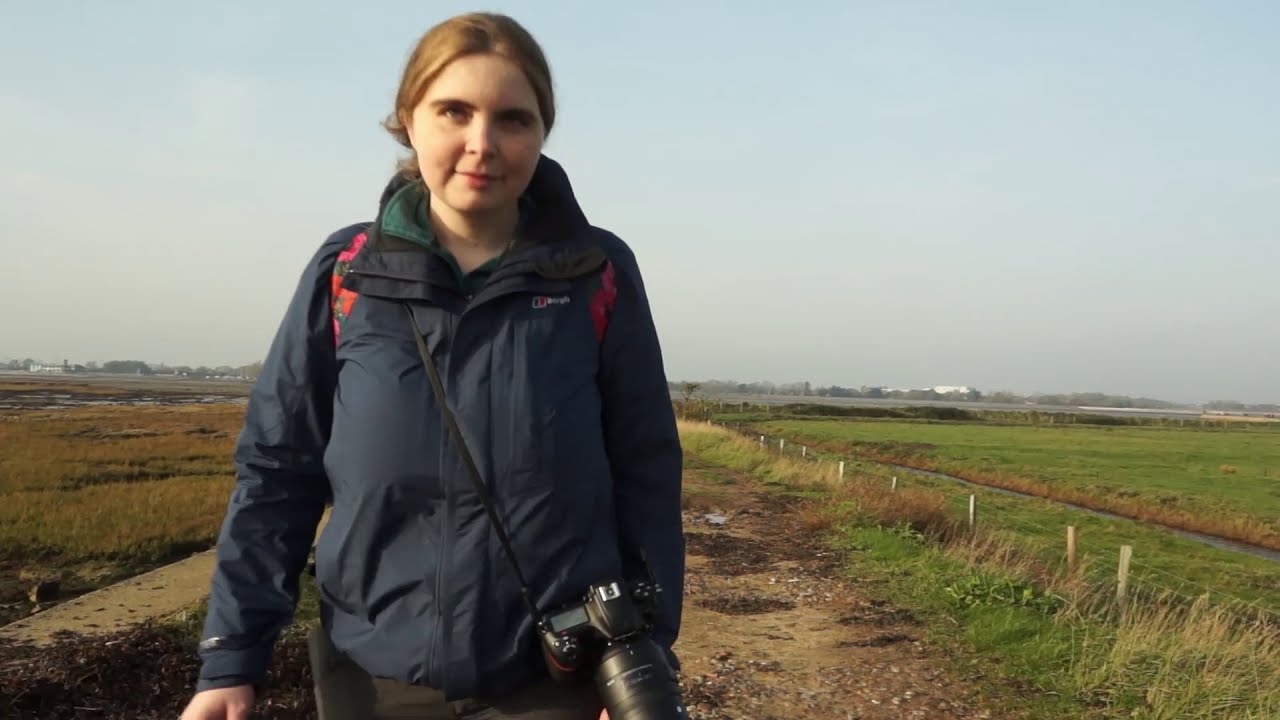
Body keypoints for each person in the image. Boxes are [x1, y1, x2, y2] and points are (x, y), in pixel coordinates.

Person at [179, 12, 685, 720]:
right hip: (371, 676)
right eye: (454, 111)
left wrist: (647, 651)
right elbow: (277, 469)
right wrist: (232, 661)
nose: (482, 144)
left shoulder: (595, 274)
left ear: (541, 134)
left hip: (553, 675)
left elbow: (646, 471)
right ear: (408, 122)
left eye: (514, 119)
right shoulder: (346, 273)